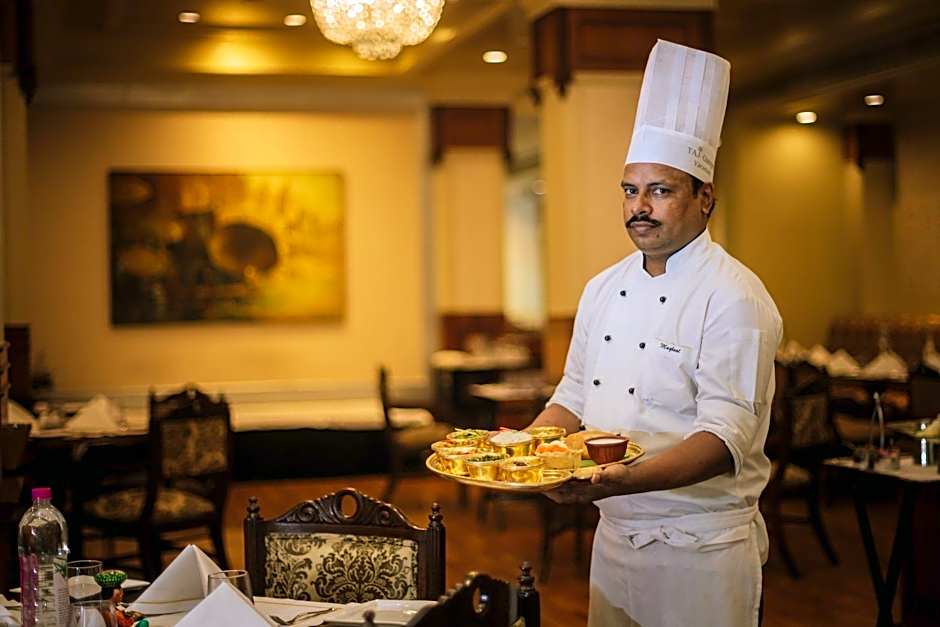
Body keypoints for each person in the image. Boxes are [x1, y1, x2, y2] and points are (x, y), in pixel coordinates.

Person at [530, 40, 782, 626]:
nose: (639, 207)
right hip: (615, 539)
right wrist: (522, 451)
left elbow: (724, 441)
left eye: (660, 191)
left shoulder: (735, 296)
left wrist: (613, 481)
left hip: (702, 550)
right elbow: (572, 395)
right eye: (629, 190)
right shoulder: (601, 288)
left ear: (705, 198)